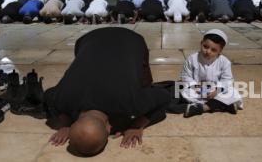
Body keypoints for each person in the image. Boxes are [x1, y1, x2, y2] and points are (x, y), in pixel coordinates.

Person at [44, 28, 170, 156]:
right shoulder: (62, 98)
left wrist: (137, 125)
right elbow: (48, 95)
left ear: (109, 128)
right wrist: (65, 123)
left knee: (145, 81)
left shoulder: (131, 102)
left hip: (132, 40)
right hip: (87, 39)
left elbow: (165, 96)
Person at [180, 29, 243, 118]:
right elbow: (186, 76)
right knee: (184, 92)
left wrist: (217, 90)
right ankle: (223, 106)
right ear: (201, 43)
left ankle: (203, 108)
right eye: (205, 46)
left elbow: (227, 80)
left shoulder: (224, 61)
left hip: (215, 90)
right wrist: (196, 86)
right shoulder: (192, 59)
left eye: (213, 50)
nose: (208, 51)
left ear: (220, 50)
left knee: (233, 92)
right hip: (198, 89)